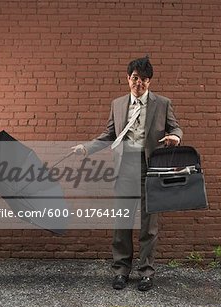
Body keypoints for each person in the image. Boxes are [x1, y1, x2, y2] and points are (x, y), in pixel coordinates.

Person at [71, 56, 182, 291]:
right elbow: (109, 134)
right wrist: (86, 148)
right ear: (127, 79)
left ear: (149, 82)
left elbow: (175, 127)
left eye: (143, 79)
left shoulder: (162, 104)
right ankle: (121, 270)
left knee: (148, 225)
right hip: (124, 169)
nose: (138, 83)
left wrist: (176, 137)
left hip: (150, 169)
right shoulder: (118, 104)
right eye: (134, 78)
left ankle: (146, 273)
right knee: (122, 222)